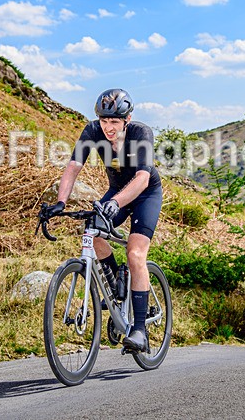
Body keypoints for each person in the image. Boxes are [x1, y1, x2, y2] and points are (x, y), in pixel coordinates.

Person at [46, 88, 162, 353]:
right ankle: (114, 291)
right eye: (104, 121)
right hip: (117, 192)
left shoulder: (141, 134)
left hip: (145, 194)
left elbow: (143, 178)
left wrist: (115, 203)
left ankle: (140, 331)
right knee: (93, 233)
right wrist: (61, 202)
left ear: (127, 119)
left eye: (115, 122)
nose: (108, 127)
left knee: (134, 253)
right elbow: (73, 168)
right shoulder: (92, 132)